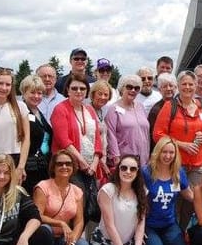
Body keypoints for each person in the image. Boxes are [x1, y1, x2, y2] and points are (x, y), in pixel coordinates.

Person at [153, 70, 202, 226]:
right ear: (178, 87)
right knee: (174, 201)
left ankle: (185, 235)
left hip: (198, 165)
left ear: (196, 86)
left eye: (191, 84)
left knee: (193, 201)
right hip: (175, 163)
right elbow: (158, 134)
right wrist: (181, 145)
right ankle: (172, 234)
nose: (187, 87)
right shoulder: (169, 107)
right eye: (184, 84)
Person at [88, 155, 153, 245]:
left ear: (137, 172)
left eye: (132, 169)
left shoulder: (142, 192)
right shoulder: (107, 191)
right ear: (118, 170)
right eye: (124, 168)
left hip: (129, 243)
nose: (128, 172)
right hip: (106, 244)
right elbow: (109, 226)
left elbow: (140, 225)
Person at [50, 73, 104, 220]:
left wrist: (94, 163)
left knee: (88, 207)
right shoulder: (60, 109)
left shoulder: (90, 110)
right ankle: (72, 240)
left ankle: (81, 238)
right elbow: (63, 140)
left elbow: (97, 139)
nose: (78, 91)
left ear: (87, 91)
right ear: (67, 90)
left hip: (90, 168)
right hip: (70, 166)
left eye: (82, 88)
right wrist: (81, 161)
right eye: (74, 88)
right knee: (73, 207)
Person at [33, 150, 89, 245]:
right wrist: (60, 223)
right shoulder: (43, 187)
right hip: (41, 236)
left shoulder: (77, 191)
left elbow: (79, 222)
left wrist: (72, 244)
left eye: (68, 164)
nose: (64, 167)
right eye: (60, 164)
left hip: (62, 238)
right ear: (53, 167)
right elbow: (37, 216)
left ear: (73, 167)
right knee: (45, 230)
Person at [142, 137, 193, 245]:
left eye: (171, 153)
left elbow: (188, 194)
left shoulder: (178, 172)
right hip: (150, 226)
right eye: (164, 152)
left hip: (169, 224)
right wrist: (138, 229)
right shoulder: (146, 172)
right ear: (157, 152)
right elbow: (138, 201)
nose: (168, 156)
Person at [106, 74, 151, 165]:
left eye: (136, 88)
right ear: (122, 88)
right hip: (124, 159)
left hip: (143, 158)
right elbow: (110, 135)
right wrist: (116, 157)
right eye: (129, 87)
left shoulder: (140, 107)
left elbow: (146, 132)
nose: (133, 90)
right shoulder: (114, 109)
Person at [20, 75, 53, 194]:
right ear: (24, 93)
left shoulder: (38, 112)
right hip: (29, 167)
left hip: (42, 165)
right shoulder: (21, 111)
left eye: (39, 93)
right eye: (32, 92)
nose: (36, 96)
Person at [146, 73, 178, 142]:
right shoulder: (156, 109)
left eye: (171, 86)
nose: (168, 89)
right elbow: (154, 135)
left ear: (175, 88)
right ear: (160, 90)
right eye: (165, 86)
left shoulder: (180, 104)